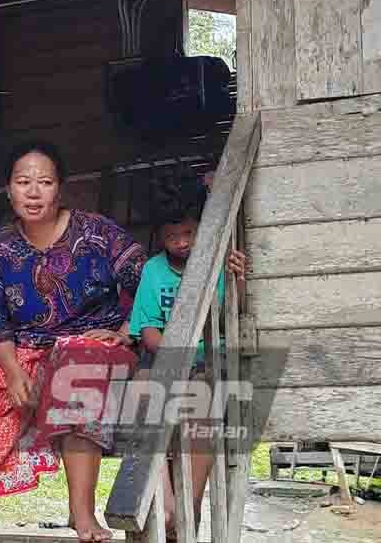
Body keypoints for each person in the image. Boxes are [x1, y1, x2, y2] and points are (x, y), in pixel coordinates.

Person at [0, 142, 148, 542]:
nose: (34, 191)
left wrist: (127, 330)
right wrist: (10, 371)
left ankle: (81, 513)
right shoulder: (0, 244)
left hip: (94, 350)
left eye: (44, 182)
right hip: (28, 351)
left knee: (78, 364)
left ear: (60, 188)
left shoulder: (97, 232)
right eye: (23, 181)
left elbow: (149, 281)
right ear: (8, 189)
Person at [128, 173, 247, 532]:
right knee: (140, 391)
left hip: (208, 364)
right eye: (171, 236)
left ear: (201, 228)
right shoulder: (152, 270)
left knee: (204, 401)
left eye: (188, 234)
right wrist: (173, 357)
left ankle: (188, 505)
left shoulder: (218, 264)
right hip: (165, 361)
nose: (180, 242)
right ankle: (164, 499)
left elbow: (232, 314)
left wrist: (238, 279)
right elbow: (146, 328)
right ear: (159, 236)